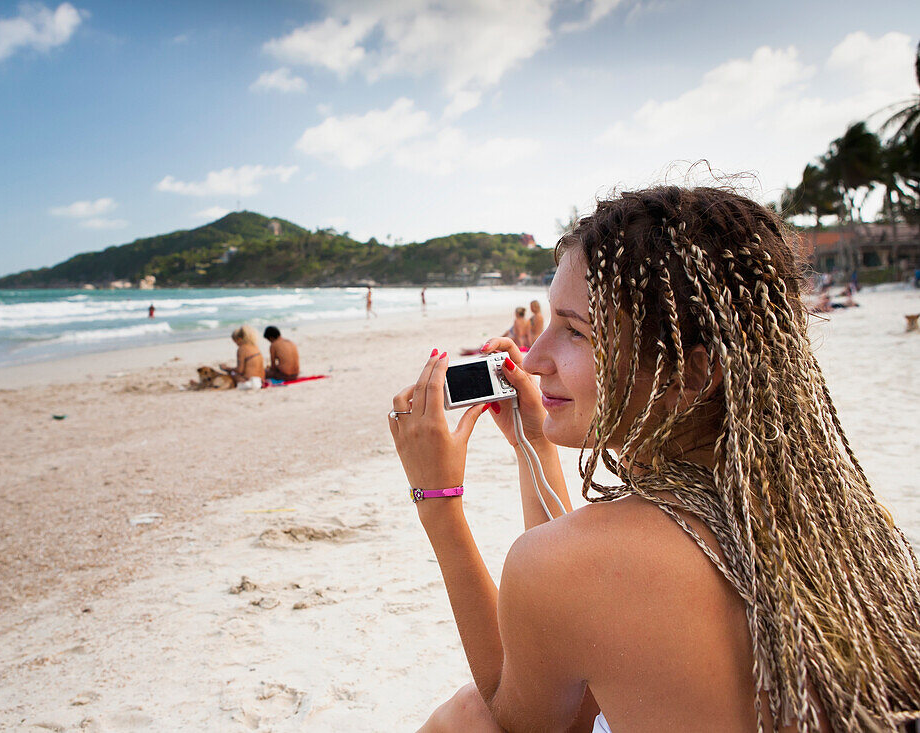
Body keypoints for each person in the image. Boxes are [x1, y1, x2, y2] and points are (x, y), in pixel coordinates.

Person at [389, 186, 920, 732]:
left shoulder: (568, 565)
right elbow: (578, 625)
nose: (536, 356)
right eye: (547, 322)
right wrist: (533, 446)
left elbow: (521, 717)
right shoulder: (825, 518)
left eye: (575, 331)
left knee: (465, 718)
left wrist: (438, 501)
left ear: (689, 373)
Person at [219, 325, 264, 390]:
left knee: (232, 373)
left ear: (239, 339)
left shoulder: (241, 349)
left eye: (236, 342)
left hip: (249, 383)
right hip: (260, 381)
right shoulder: (255, 347)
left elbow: (240, 370)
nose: (237, 345)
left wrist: (227, 368)